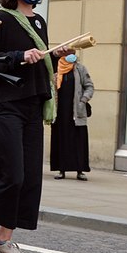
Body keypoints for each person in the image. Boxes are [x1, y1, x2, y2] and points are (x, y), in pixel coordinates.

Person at [0, 0, 70, 253]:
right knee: (10, 173)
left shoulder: (39, 22)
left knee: (28, 176)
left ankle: (5, 238)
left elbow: (37, 60)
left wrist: (52, 55)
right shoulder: (0, 19)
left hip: (31, 103)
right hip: (5, 104)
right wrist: (18, 56)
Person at [51, 51, 94, 180]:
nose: (71, 56)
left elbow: (89, 86)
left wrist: (83, 100)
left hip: (76, 112)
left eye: (72, 53)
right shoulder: (57, 68)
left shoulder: (80, 68)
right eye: (68, 53)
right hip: (60, 112)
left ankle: (80, 170)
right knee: (61, 140)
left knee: (78, 141)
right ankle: (61, 170)